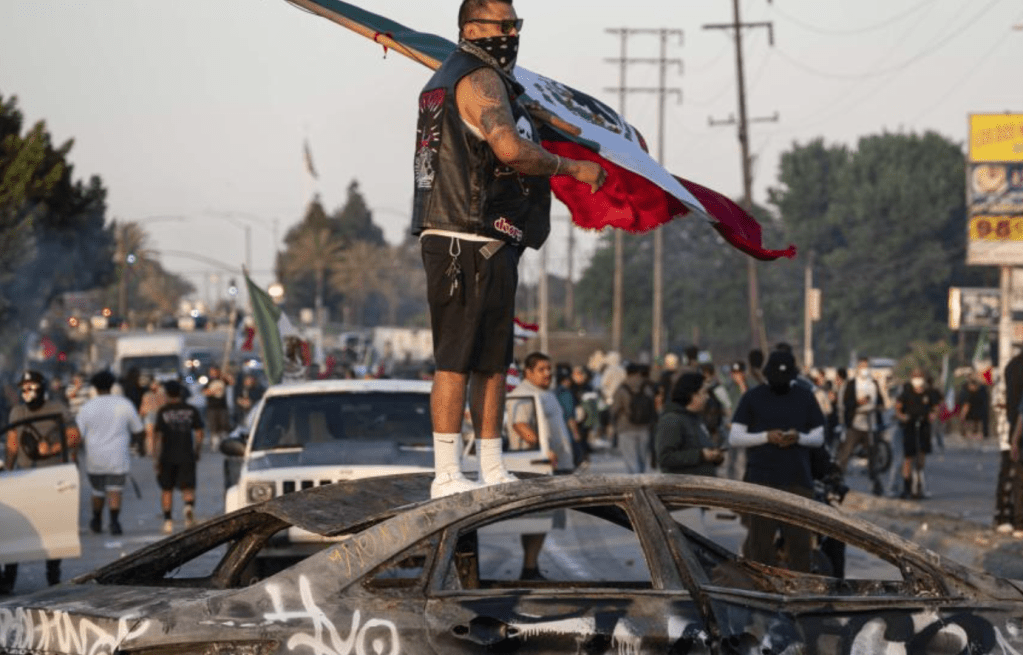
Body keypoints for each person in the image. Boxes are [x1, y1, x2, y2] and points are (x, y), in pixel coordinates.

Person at [411, 0, 606, 497]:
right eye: (506, 25)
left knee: (494, 362)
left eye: (517, 24)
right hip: (463, 233)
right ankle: (448, 473)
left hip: (490, 236)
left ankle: (492, 465)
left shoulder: (467, 80)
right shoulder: (477, 79)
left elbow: (511, 131)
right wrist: (573, 169)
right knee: (456, 359)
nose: (514, 33)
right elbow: (509, 150)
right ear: (473, 27)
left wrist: (543, 121)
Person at [728, 350, 826, 573]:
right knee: (760, 544)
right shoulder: (752, 397)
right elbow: (735, 437)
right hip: (762, 481)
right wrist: (766, 437)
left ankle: (799, 592)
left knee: (800, 544)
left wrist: (799, 437)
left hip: (797, 480)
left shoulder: (805, 396)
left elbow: (819, 436)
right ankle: (762, 591)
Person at [2, 370, 79, 593]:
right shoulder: (17, 411)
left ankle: (53, 575)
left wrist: (53, 448)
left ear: (41, 388)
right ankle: (9, 577)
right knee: (14, 528)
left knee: (53, 529)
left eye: (31, 387)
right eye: (23, 388)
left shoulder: (56, 409)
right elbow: (12, 442)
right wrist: (7, 470)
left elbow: (75, 436)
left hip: (53, 478)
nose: (27, 392)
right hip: (23, 477)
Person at [507, 352, 575, 580]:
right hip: (535, 465)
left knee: (543, 521)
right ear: (528, 372)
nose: (548, 373)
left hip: (554, 466)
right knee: (537, 519)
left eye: (549, 368)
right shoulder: (523, 394)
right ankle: (529, 568)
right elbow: (519, 424)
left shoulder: (546, 394)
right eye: (542, 369)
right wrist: (542, 447)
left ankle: (531, 566)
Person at [76, 370, 144, 536]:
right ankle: (114, 522)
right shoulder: (124, 404)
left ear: (94, 387)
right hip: (118, 456)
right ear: (112, 385)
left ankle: (97, 520)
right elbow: (138, 429)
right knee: (115, 489)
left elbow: (78, 435)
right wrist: (138, 446)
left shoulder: (86, 407)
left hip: (94, 458)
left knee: (97, 491)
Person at [153, 380, 205, 534]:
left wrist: (155, 457)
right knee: (188, 486)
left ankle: (168, 521)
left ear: (167, 394)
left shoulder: (163, 411)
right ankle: (188, 511)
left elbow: (157, 436)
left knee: (166, 489)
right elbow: (199, 432)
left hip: (167, 456)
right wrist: (197, 450)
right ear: (181, 393)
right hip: (186, 454)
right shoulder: (191, 410)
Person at [656, 372, 725, 475]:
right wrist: (701, 455)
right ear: (692, 395)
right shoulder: (672, 420)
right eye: (704, 393)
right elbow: (665, 458)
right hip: (684, 488)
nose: (707, 397)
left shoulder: (696, 418)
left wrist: (715, 456)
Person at [836, 357, 885, 496]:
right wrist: (858, 403)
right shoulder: (852, 384)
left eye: (866, 366)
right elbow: (846, 404)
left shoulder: (873, 384)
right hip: (856, 424)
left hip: (871, 425)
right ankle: (838, 480)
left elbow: (880, 402)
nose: (864, 369)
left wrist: (877, 407)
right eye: (862, 366)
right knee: (845, 453)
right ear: (858, 368)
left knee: (873, 456)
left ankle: (876, 483)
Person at [895, 369, 939, 499]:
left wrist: (933, 415)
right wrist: (902, 417)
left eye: (919, 376)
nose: (917, 379)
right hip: (909, 426)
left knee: (921, 457)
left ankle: (919, 484)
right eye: (915, 376)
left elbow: (936, 407)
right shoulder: (906, 392)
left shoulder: (929, 393)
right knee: (908, 458)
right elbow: (897, 407)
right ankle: (906, 487)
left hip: (923, 426)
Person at [610, 363, 657, 474]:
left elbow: (614, 409)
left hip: (625, 427)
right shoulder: (646, 386)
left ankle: (635, 485)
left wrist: (613, 425)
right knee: (642, 461)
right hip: (644, 427)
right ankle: (642, 483)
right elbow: (652, 406)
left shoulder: (622, 388)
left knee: (631, 462)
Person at [203, 365, 232, 452]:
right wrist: (214, 391)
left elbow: (232, 382)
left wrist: (225, 375)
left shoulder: (222, 380)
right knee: (214, 426)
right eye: (212, 372)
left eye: (215, 371)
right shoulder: (208, 381)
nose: (213, 373)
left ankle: (224, 444)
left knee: (224, 426)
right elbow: (205, 392)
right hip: (212, 407)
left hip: (222, 406)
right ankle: (215, 443)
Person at [139, 376, 168, 457]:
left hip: (150, 415)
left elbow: (143, 406)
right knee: (156, 435)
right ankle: (156, 451)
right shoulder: (163, 394)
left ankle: (151, 452)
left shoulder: (147, 394)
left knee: (150, 435)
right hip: (157, 415)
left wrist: (140, 416)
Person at [959, 375, 988, 440]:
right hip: (971, 421)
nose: (973, 388)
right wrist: (962, 417)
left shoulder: (981, 391)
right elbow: (965, 406)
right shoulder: (966, 392)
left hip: (978, 420)